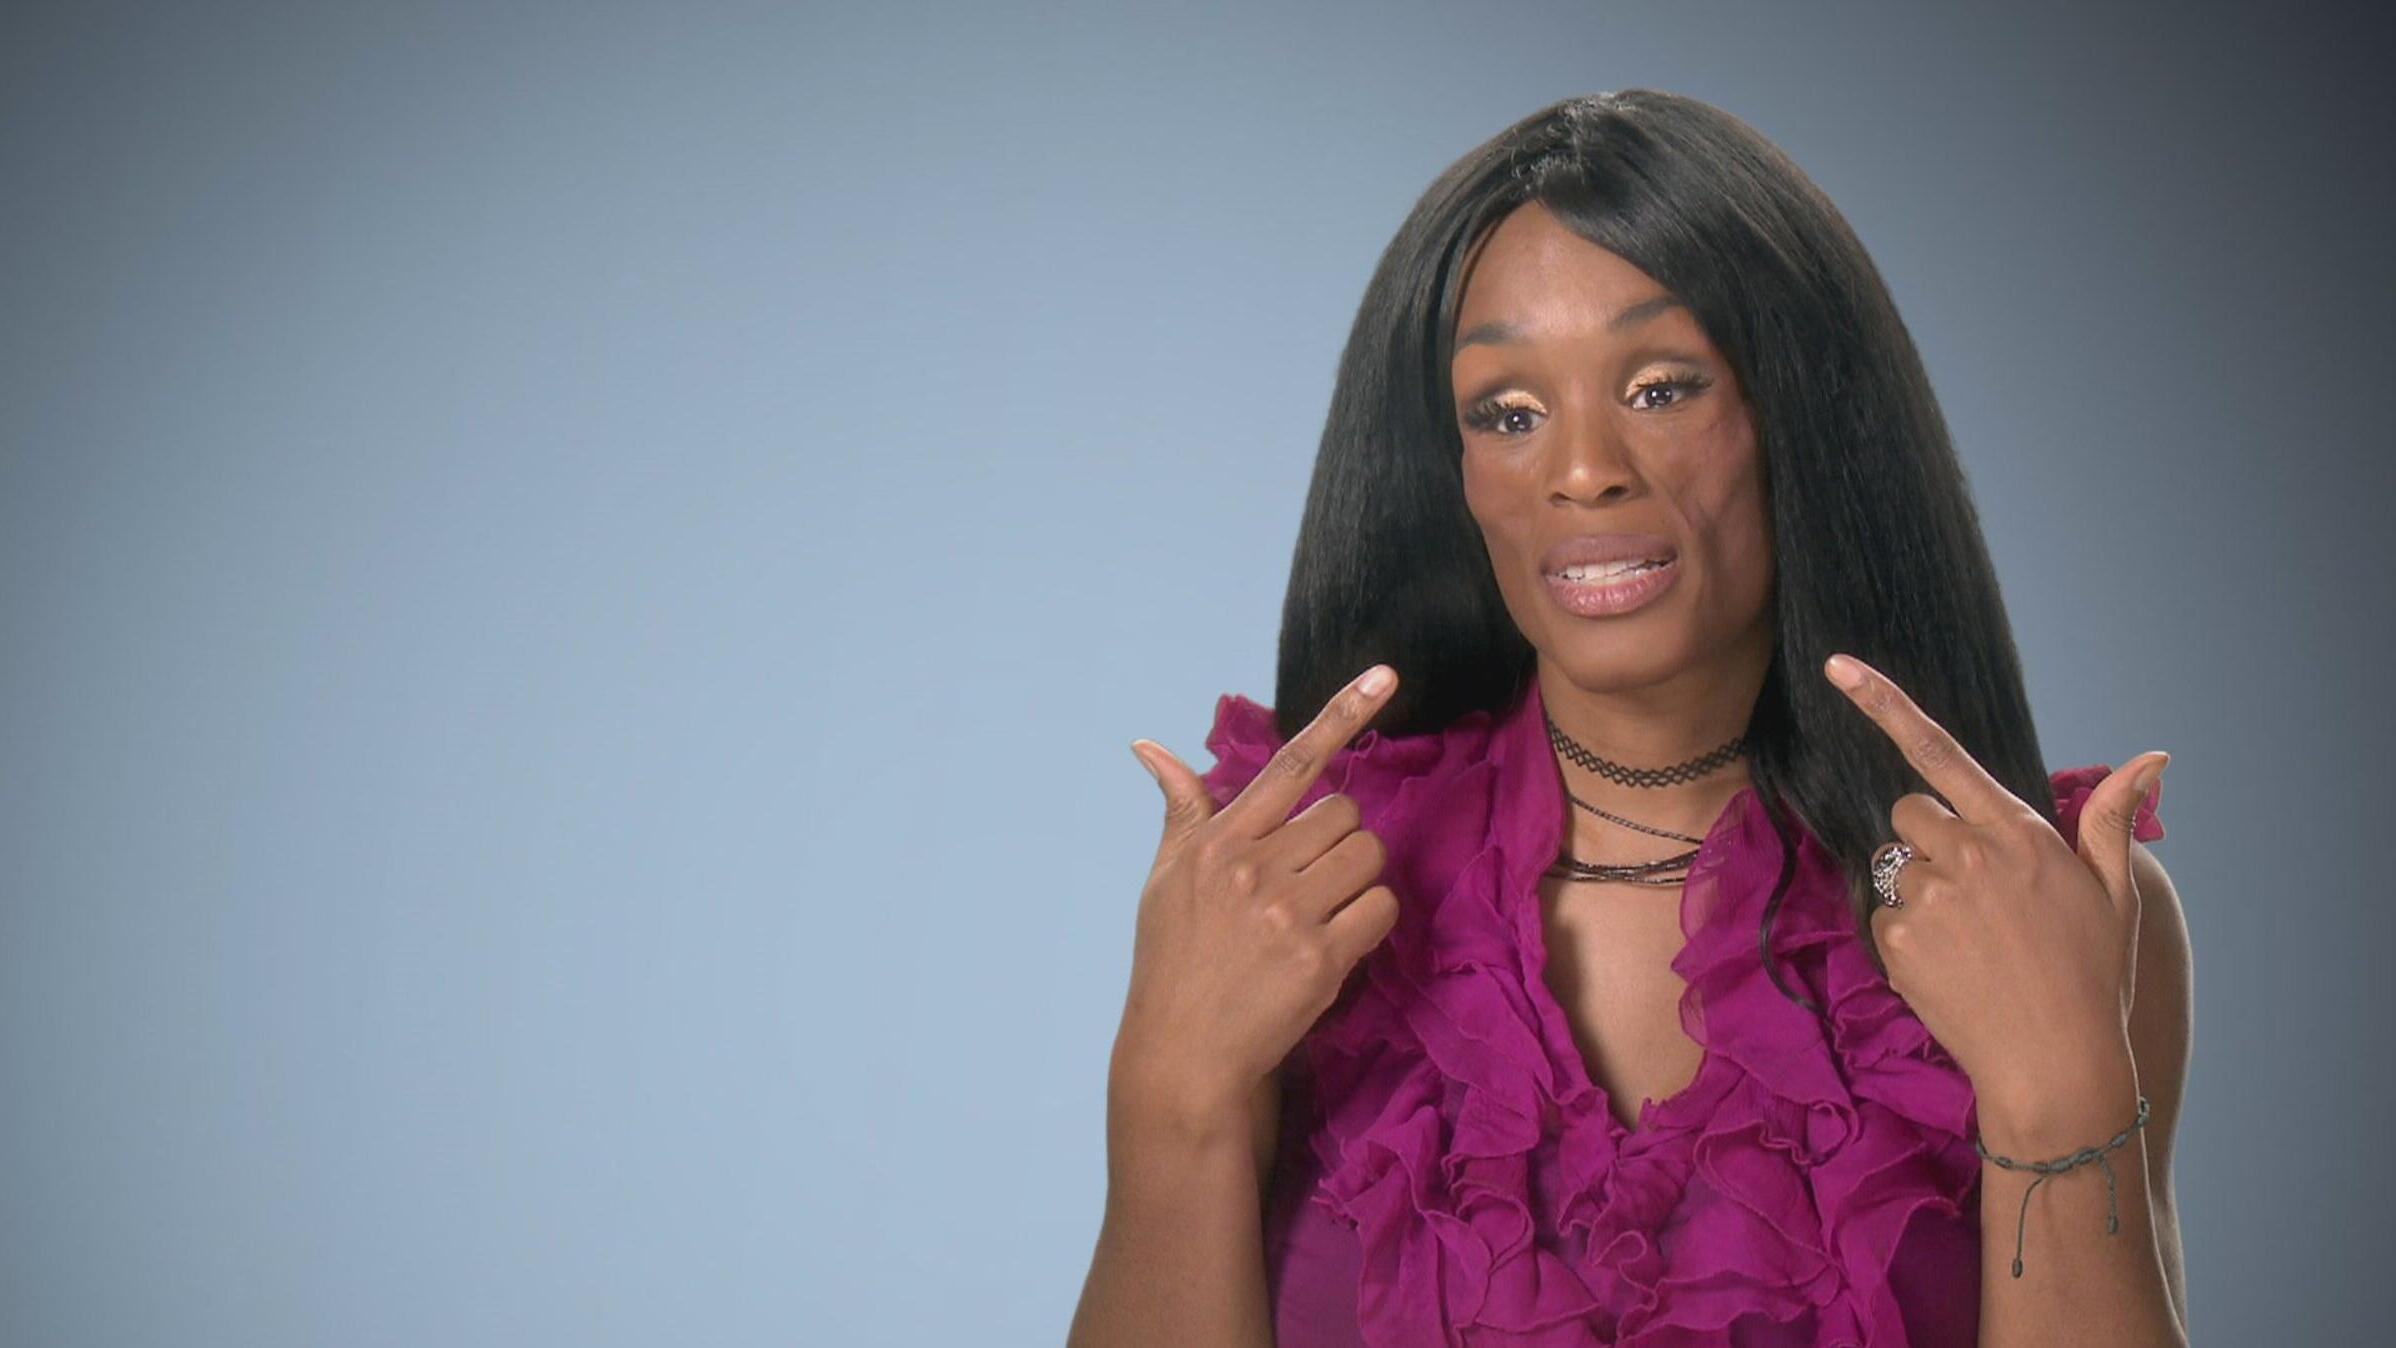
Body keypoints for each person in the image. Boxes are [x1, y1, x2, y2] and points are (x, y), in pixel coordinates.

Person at [1071, 89, 2191, 1347]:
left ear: (1796, 416)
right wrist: (1168, 1097)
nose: (1582, 470)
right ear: (1453, 476)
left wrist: (2056, 1097)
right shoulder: (1281, 892)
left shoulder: (2055, 904)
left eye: (1660, 389)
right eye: (1507, 413)